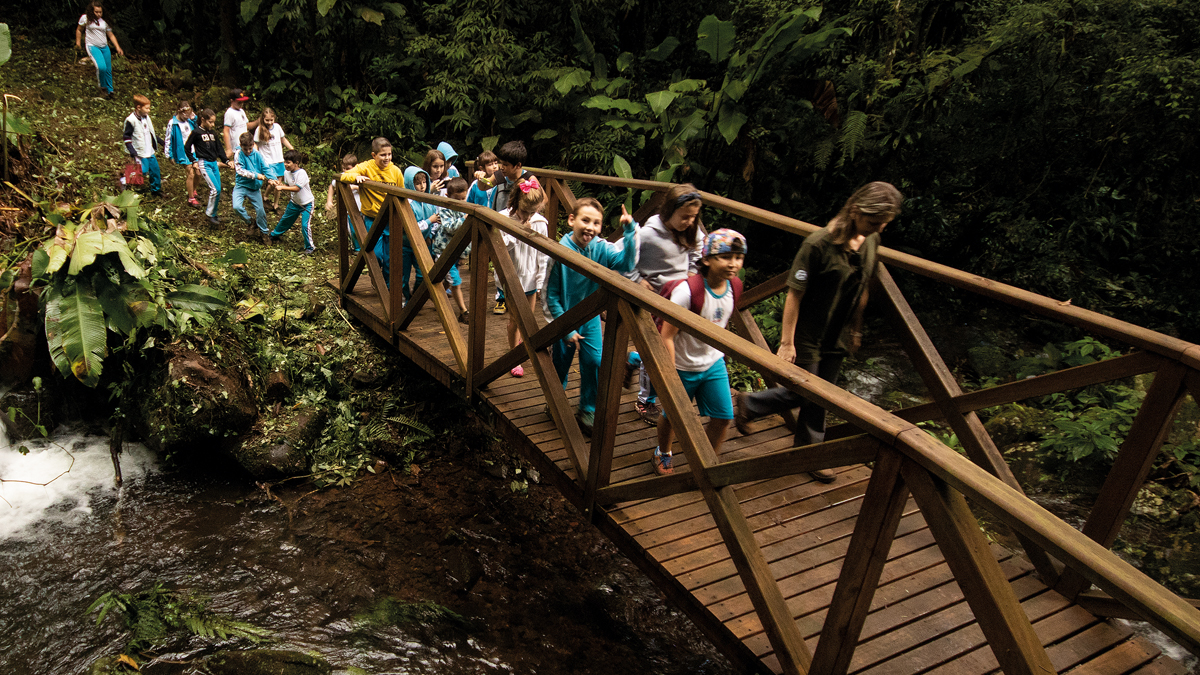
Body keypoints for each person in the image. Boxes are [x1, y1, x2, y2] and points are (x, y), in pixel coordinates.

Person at [733, 181, 903, 483]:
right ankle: (761, 411)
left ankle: (760, 411)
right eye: (874, 222)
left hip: (837, 333)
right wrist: (786, 342)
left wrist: (856, 329)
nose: (879, 228)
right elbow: (794, 294)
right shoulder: (817, 244)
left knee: (824, 395)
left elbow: (863, 285)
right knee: (809, 392)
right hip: (810, 332)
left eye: (883, 224)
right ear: (855, 211)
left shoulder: (870, 240)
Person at [651, 229, 746, 475]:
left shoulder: (735, 286)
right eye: (726, 257)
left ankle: (707, 462)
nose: (733, 264)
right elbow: (667, 335)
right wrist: (670, 376)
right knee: (673, 415)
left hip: (713, 361)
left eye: (738, 257)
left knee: (724, 417)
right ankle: (663, 451)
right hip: (682, 364)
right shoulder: (687, 292)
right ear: (707, 259)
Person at [546, 197, 637, 434]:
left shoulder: (602, 248)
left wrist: (629, 231)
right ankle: (555, 400)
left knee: (594, 362)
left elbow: (627, 264)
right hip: (565, 316)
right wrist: (566, 328)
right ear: (572, 220)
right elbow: (552, 295)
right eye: (585, 220)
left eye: (596, 223)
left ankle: (587, 407)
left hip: (591, 318)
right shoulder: (560, 251)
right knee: (560, 364)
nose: (590, 227)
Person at [629, 184, 707, 425]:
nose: (689, 221)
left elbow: (697, 255)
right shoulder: (648, 234)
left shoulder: (692, 230)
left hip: (681, 299)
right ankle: (645, 400)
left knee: (666, 348)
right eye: (684, 216)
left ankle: (633, 360)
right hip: (655, 300)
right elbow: (624, 257)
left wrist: (691, 280)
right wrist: (637, 280)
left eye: (694, 217)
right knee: (657, 351)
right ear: (669, 211)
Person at [499, 178, 550, 378]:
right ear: (516, 202)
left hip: (531, 277)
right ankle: (515, 355)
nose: (528, 216)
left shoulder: (540, 223)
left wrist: (540, 280)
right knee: (515, 319)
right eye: (525, 211)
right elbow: (501, 247)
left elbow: (542, 253)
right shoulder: (504, 218)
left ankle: (523, 347)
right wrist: (519, 233)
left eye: (533, 212)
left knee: (527, 320)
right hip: (511, 276)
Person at [340, 137, 405, 278]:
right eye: (383, 155)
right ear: (374, 155)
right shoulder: (367, 167)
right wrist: (356, 177)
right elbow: (345, 176)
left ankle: (387, 287)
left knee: (390, 258)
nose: (387, 158)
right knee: (376, 255)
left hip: (390, 219)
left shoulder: (396, 171)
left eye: (389, 154)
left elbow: (402, 194)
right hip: (372, 218)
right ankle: (376, 277)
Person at [489, 140, 532, 315]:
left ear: (518, 165)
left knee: (517, 261)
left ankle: (519, 296)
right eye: (501, 163)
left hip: (519, 223)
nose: (501, 167)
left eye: (505, 164)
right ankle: (501, 296)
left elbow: (541, 199)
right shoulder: (500, 175)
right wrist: (485, 178)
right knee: (500, 258)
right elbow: (483, 185)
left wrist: (526, 212)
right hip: (501, 222)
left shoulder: (529, 178)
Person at [429, 177, 472, 324]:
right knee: (455, 281)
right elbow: (449, 227)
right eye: (457, 199)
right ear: (448, 197)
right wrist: (464, 219)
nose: (461, 202)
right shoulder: (445, 210)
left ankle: (435, 295)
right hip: (444, 251)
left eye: (463, 198)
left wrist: (465, 253)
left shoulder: (464, 208)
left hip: (457, 252)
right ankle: (463, 311)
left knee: (446, 278)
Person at [184, 108, 228, 225]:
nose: (212, 124)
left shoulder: (213, 133)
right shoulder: (196, 132)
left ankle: (214, 213)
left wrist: (226, 160)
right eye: (210, 122)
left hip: (214, 163)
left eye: (214, 122)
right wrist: (193, 161)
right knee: (215, 189)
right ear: (203, 120)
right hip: (204, 163)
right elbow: (187, 147)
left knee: (218, 189)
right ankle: (209, 214)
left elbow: (219, 149)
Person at [400, 165, 438, 296]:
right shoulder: (407, 203)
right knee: (403, 277)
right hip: (405, 245)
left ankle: (416, 296)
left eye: (424, 182)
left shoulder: (428, 200)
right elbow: (410, 227)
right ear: (410, 184)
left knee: (424, 275)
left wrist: (431, 234)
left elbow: (436, 220)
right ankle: (405, 300)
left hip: (423, 243)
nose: (422, 186)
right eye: (417, 183)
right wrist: (429, 221)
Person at [269, 150, 315, 254]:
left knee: (304, 225)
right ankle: (274, 235)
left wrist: (282, 188)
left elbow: (297, 188)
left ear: (296, 163)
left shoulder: (301, 173)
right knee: (285, 220)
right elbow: (287, 185)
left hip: (306, 204)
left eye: (288, 162)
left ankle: (310, 247)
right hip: (294, 203)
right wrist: (277, 184)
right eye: (285, 162)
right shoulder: (286, 172)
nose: (286, 165)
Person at [75, 0, 123, 99]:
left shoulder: (104, 21)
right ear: (91, 11)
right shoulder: (86, 18)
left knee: (108, 70)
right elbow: (79, 30)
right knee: (101, 67)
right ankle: (102, 88)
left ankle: (110, 91)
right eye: (96, 12)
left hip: (104, 47)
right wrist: (78, 43)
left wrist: (117, 46)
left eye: (100, 12)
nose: (98, 14)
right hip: (92, 46)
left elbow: (110, 34)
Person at [232, 131, 273, 242]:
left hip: (254, 188)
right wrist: (256, 175)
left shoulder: (257, 154)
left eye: (250, 148)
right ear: (241, 146)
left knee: (260, 211)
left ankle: (264, 232)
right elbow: (240, 170)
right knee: (237, 206)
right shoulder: (238, 154)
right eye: (246, 149)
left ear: (253, 145)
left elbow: (265, 167)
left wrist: (272, 179)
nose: (249, 151)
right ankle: (251, 222)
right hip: (241, 185)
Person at [254, 108, 294, 213]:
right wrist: (256, 157)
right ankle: (265, 197)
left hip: (279, 159)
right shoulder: (259, 129)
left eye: (271, 120)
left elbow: (283, 139)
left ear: (274, 118)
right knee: (273, 183)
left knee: (279, 183)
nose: (269, 122)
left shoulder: (277, 127)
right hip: (267, 161)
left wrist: (292, 149)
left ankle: (276, 205)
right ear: (263, 119)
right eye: (267, 120)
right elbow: (256, 144)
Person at [122, 94, 161, 197]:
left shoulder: (146, 118)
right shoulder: (131, 120)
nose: (149, 110)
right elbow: (126, 137)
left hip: (149, 149)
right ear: (138, 107)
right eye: (147, 108)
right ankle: (125, 179)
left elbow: (151, 132)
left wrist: (161, 142)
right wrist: (132, 151)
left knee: (155, 170)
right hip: (140, 151)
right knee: (142, 171)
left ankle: (156, 190)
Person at [164, 100, 199, 207]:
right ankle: (191, 198)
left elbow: (197, 127)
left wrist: (193, 117)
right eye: (185, 114)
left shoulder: (189, 121)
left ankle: (193, 190)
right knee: (190, 173)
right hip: (183, 151)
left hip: (194, 150)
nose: (187, 117)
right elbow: (168, 139)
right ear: (179, 112)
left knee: (198, 172)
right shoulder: (173, 123)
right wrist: (169, 155)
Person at [325, 153, 361, 251]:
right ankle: (357, 248)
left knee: (361, 229)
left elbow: (364, 188)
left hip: (361, 207)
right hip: (348, 208)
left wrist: (353, 187)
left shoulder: (360, 176)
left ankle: (362, 248)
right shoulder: (341, 176)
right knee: (351, 230)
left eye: (348, 169)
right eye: (343, 168)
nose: (345, 171)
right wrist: (329, 200)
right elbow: (332, 187)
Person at [223, 88, 258, 161]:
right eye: (239, 102)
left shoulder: (241, 111)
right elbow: (226, 131)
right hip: (238, 145)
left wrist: (258, 121)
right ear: (232, 101)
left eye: (242, 102)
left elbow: (247, 125)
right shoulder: (229, 113)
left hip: (247, 142)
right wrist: (228, 148)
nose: (241, 104)